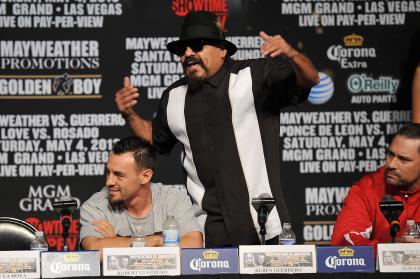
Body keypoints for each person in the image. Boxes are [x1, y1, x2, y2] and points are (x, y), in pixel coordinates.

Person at [115, 11, 319, 247]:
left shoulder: (254, 77)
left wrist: (291, 54)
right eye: (183, 50)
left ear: (223, 50)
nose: (188, 54)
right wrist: (129, 114)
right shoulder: (173, 97)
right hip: (208, 232)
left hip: (265, 225)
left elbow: (310, 79)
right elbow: (154, 138)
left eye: (198, 46)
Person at [79, 136, 203, 255]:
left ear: (145, 176)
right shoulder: (96, 206)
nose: (109, 182)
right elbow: (94, 250)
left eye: (119, 175)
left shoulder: (173, 199)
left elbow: (193, 246)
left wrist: (116, 243)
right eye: (108, 172)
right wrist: (154, 240)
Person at [331, 123, 420, 253]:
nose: (391, 164)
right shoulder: (366, 189)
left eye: (403, 159)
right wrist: (392, 249)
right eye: (390, 154)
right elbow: (343, 244)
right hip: (382, 273)